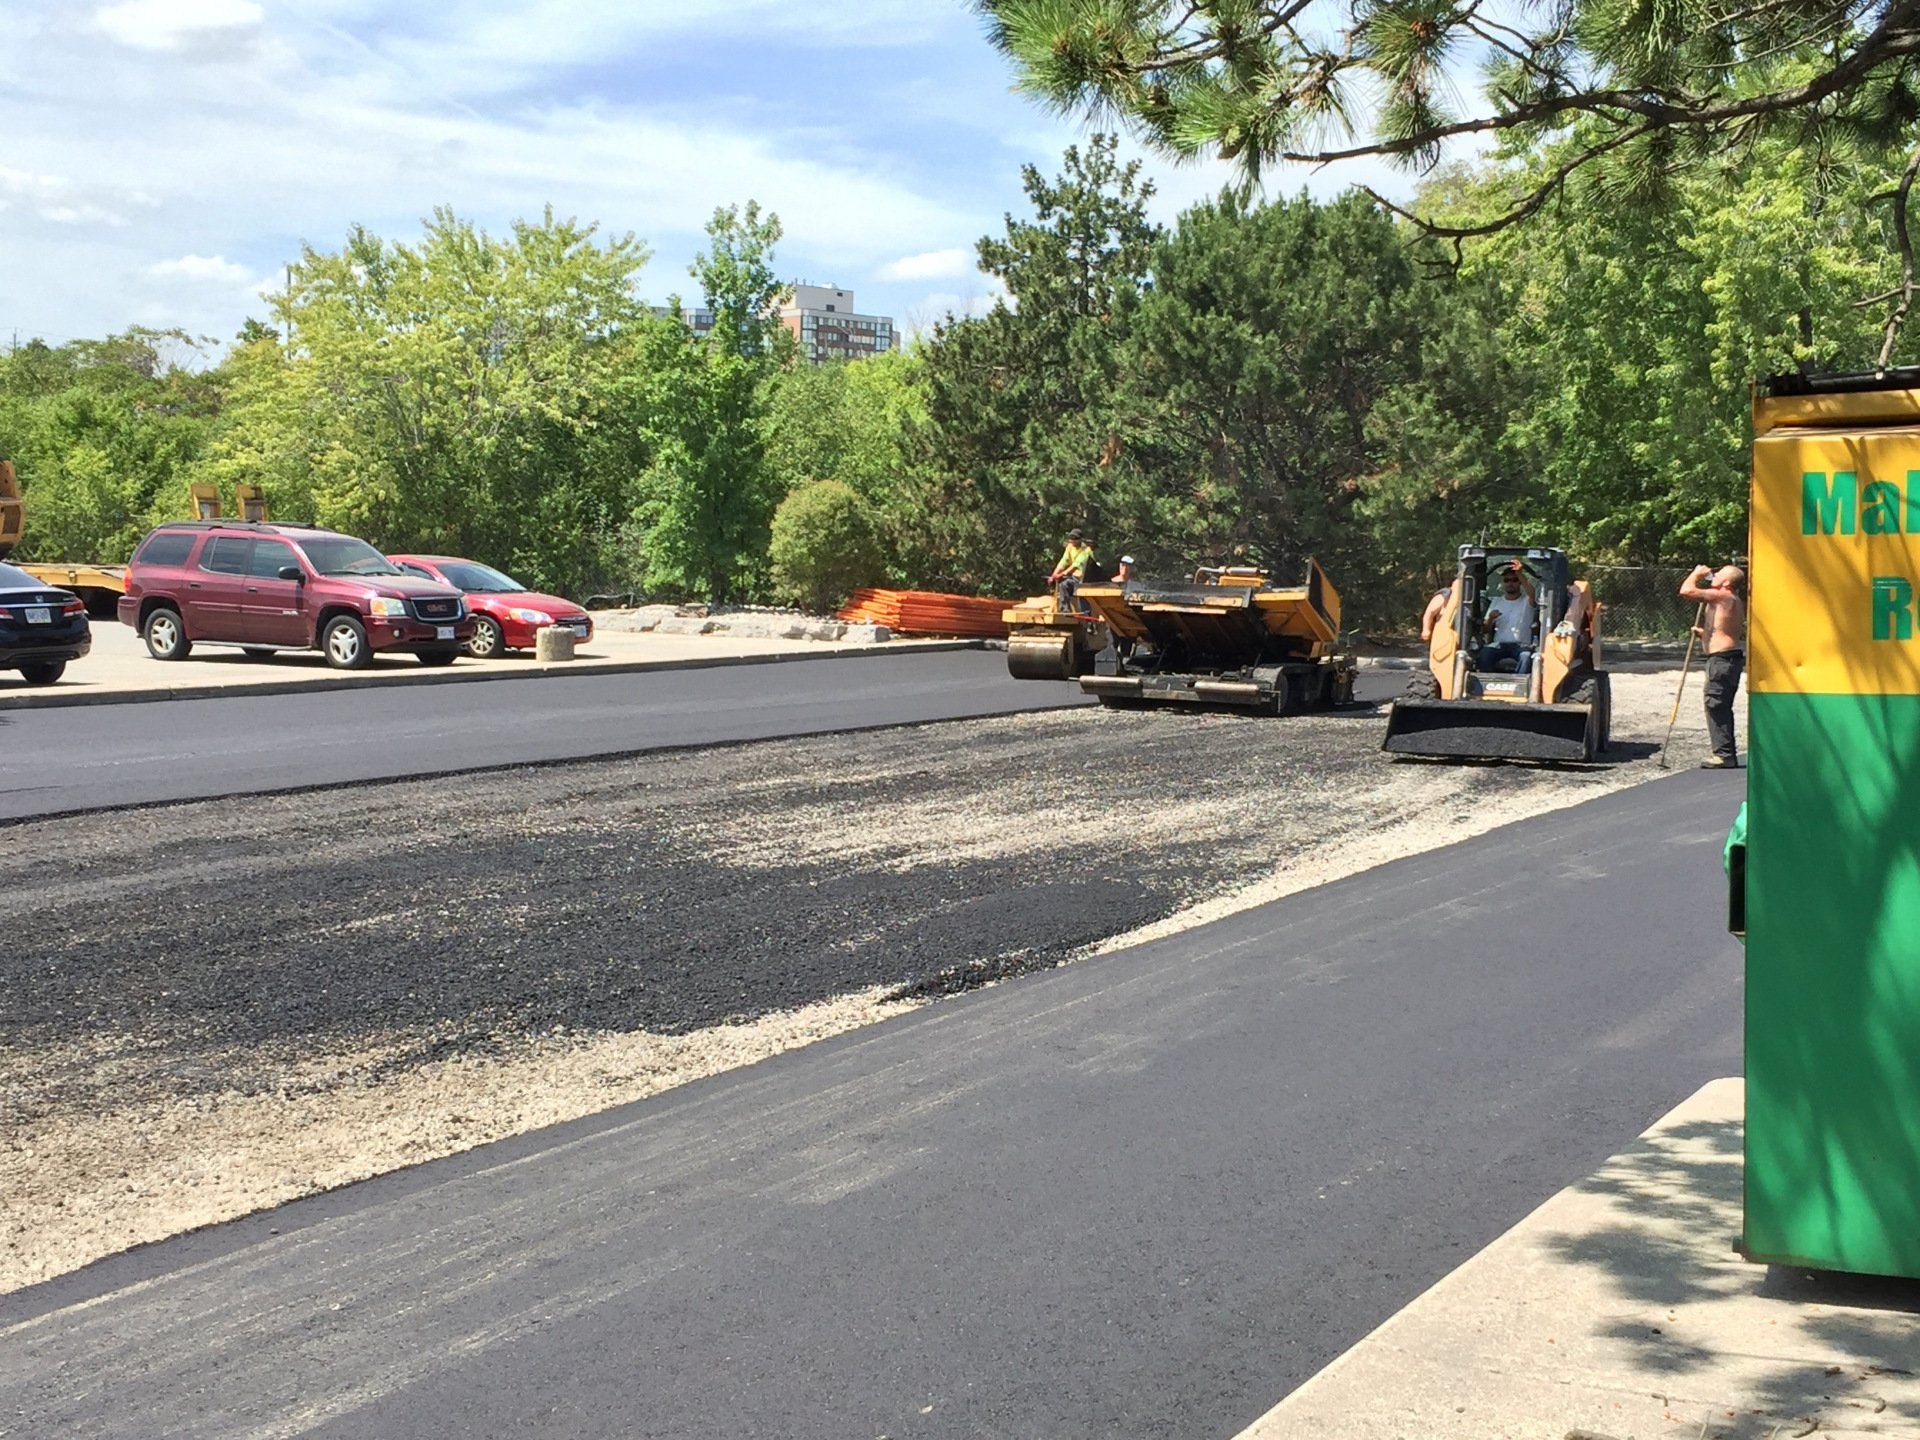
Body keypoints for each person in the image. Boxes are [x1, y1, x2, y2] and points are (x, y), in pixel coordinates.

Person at [1681, 563, 1746, 768]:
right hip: (1725, 658)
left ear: (1726, 583)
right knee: (1719, 705)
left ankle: (1724, 755)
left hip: (1722, 659)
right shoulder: (1729, 600)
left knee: (1715, 704)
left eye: (1719, 575)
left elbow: (1686, 591)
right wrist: (1704, 634)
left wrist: (1697, 574)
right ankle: (1725, 752)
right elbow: (1723, 629)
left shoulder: (1723, 596)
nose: (1714, 576)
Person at [1479, 563, 1536, 671]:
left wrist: (1519, 573)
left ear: (1519, 582)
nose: (1510, 583)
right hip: (1499, 645)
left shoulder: (1527, 601)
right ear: (1503, 583)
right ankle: (1489, 681)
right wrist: (1490, 619)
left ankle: (1520, 681)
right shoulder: (1496, 601)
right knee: (1484, 654)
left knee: (1526, 656)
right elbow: (1485, 630)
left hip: (1521, 645)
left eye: (1514, 580)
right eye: (1507, 580)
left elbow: (1532, 593)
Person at [1049, 527, 1094, 611]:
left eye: (1075, 539)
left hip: (1085, 580)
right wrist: (1053, 575)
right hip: (1075, 578)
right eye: (1071, 538)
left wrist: (1060, 575)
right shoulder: (1070, 547)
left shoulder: (1086, 550)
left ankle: (1085, 613)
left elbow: (1074, 566)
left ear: (1080, 539)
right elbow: (1063, 562)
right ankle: (1065, 610)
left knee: (1081, 592)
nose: (1072, 541)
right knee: (1064, 585)